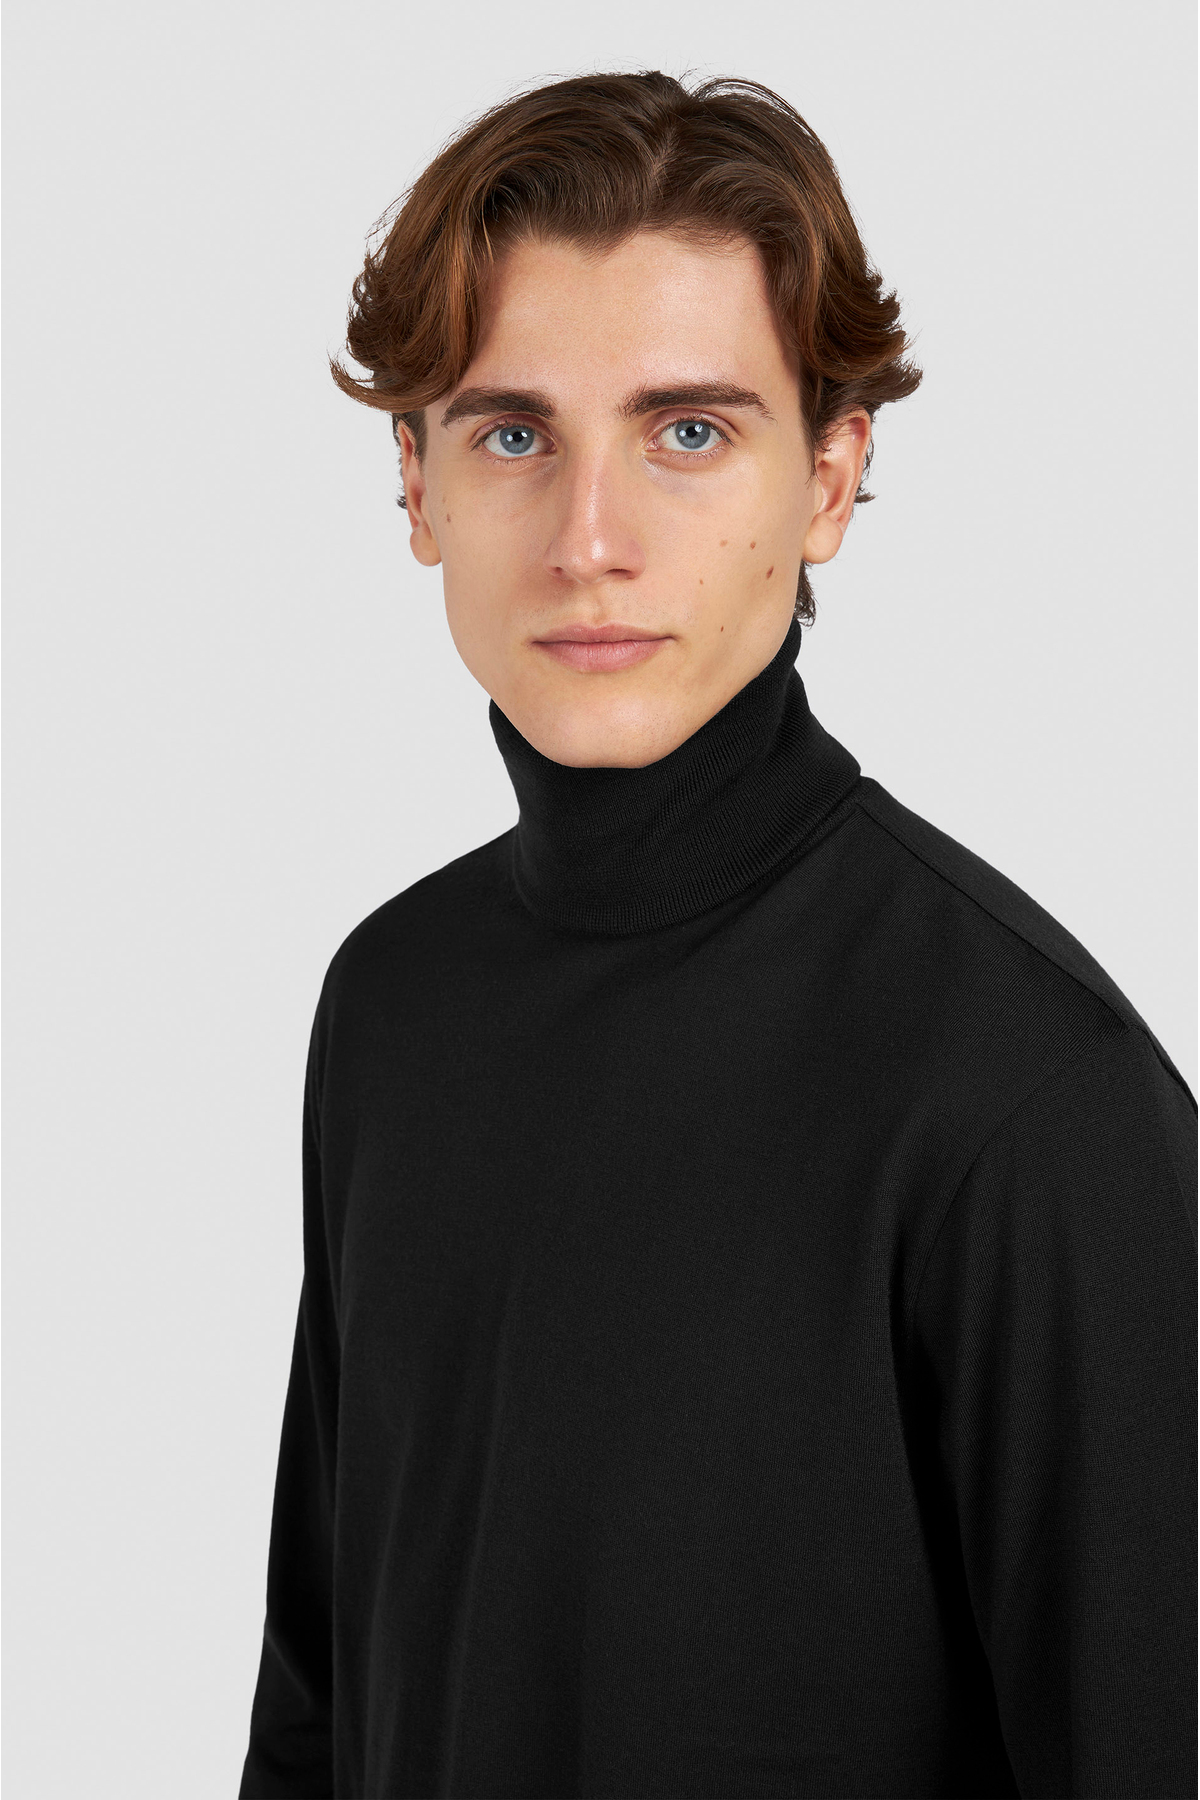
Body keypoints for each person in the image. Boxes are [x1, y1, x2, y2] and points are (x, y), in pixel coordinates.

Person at [238, 71, 1196, 1800]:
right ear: (417, 486)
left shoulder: (1029, 1098)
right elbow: (318, 1703)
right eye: (512, 435)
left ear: (828, 480)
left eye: (687, 433)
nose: (589, 542)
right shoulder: (389, 1002)